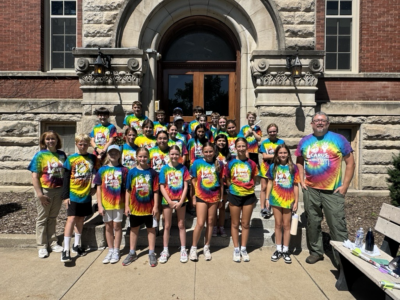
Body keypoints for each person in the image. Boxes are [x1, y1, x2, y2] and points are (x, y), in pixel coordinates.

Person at [295, 112, 355, 264]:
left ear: (328, 123)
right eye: (317, 121)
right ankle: (316, 251)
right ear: (312, 124)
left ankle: (341, 259)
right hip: (311, 190)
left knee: (337, 224)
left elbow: (350, 162)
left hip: (333, 191)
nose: (320, 123)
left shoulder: (339, 139)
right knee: (313, 222)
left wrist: (345, 186)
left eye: (323, 121)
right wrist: (301, 181)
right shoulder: (305, 141)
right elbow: (299, 162)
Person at [28, 130, 66, 258]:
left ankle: (53, 243)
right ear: (44, 141)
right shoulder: (39, 155)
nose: (50, 141)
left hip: (58, 190)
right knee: (42, 218)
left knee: (53, 217)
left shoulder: (62, 155)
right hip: (45, 191)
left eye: (53, 139)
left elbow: (65, 173)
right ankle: (42, 246)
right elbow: (34, 176)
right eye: (48, 139)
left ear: (57, 140)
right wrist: (40, 194)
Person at [61, 134, 96, 263]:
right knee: (71, 219)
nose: (83, 146)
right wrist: (65, 196)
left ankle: (76, 245)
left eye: (85, 144)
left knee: (81, 219)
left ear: (88, 145)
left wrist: (95, 187)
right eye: (80, 144)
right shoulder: (71, 159)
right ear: (76, 144)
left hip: (85, 194)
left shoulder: (92, 158)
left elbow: (97, 174)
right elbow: (65, 178)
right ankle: (66, 249)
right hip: (73, 194)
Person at [123, 147, 159, 267]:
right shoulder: (131, 172)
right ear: (136, 157)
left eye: (145, 156)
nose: (142, 158)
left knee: (151, 229)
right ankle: (132, 252)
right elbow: (128, 190)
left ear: (148, 157)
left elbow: (155, 191)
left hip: (149, 207)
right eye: (140, 156)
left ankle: (151, 252)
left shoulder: (152, 172)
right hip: (135, 207)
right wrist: (127, 206)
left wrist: (156, 206)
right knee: (134, 229)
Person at [189, 142, 224, 261]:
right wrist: (193, 196)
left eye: (211, 151)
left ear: (214, 152)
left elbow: (221, 183)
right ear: (202, 152)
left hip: (214, 196)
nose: (208, 154)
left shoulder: (219, 164)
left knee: (210, 222)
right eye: (206, 151)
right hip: (201, 195)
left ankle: (206, 247)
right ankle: (193, 248)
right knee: (200, 222)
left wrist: (221, 198)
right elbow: (193, 180)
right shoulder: (197, 163)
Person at [94, 145, 128, 264]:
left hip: (119, 203)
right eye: (111, 153)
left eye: (116, 153)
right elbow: (98, 188)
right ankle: (110, 249)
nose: (113, 155)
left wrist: (127, 205)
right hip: (106, 203)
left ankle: (117, 250)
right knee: (108, 227)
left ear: (119, 155)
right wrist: (99, 205)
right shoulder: (102, 170)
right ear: (107, 154)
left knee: (117, 226)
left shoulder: (124, 170)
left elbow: (127, 189)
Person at [226, 138, 258, 262]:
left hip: (248, 195)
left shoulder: (252, 163)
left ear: (246, 147)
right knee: (234, 223)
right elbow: (228, 178)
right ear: (235, 148)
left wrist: (247, 187)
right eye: (238, 146)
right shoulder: (231, 163)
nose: (241, 148)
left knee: (245, 223)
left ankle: (243, 248)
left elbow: (254, 178)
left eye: (243, 146)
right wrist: (234, 188)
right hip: (234, 195)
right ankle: (236, 248)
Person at [266, 144, 299, 264]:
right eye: (280, 153)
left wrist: (296, 201)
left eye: (285, 153)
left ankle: (286, 250)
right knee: (278, 224)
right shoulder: (273, 167)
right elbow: (269, 183)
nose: (283, 155)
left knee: (286, 225)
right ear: (277, 154)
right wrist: (267, 198)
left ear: (288, 154)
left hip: (288, 200)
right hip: (275, 200)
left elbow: (296, 185)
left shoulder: (293, 168)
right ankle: (278, 249)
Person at [159, 146, 191, 263]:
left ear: (180, 155)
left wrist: (181, 201)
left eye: (176, 154)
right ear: (169, 154)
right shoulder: (164, 169)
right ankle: (165, 250)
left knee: (181, 224)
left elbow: (186, 186)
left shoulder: (183, 168)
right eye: (172, 154)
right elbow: (162, 186)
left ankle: (183, 249)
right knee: (167, 225)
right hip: (167, 201)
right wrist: (169, 201)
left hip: (181, 200)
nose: (174, 156)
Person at [259, 123, 285, 218]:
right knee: (263, 187)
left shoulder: (281, 142)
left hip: (277, 168)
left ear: (277, 131)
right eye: (270, 132)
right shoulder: (264, 143)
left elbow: (284, 154)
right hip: (265, 168)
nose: (272, 133)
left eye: (274, 131)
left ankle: (270, 206)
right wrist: (277, 155)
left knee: (273, 187)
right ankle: (263, 208)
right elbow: (265, 156)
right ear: (267, 132)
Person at [213, 134, 231, 237]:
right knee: (215, 207)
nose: (221, 143)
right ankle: (214, 227)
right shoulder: (213, 154)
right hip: (215, 183)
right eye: (219, 140)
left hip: (225, 184)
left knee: (222, 207)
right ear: (215, 142)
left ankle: (221, 227)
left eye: (223, 141)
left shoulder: (229, 155)